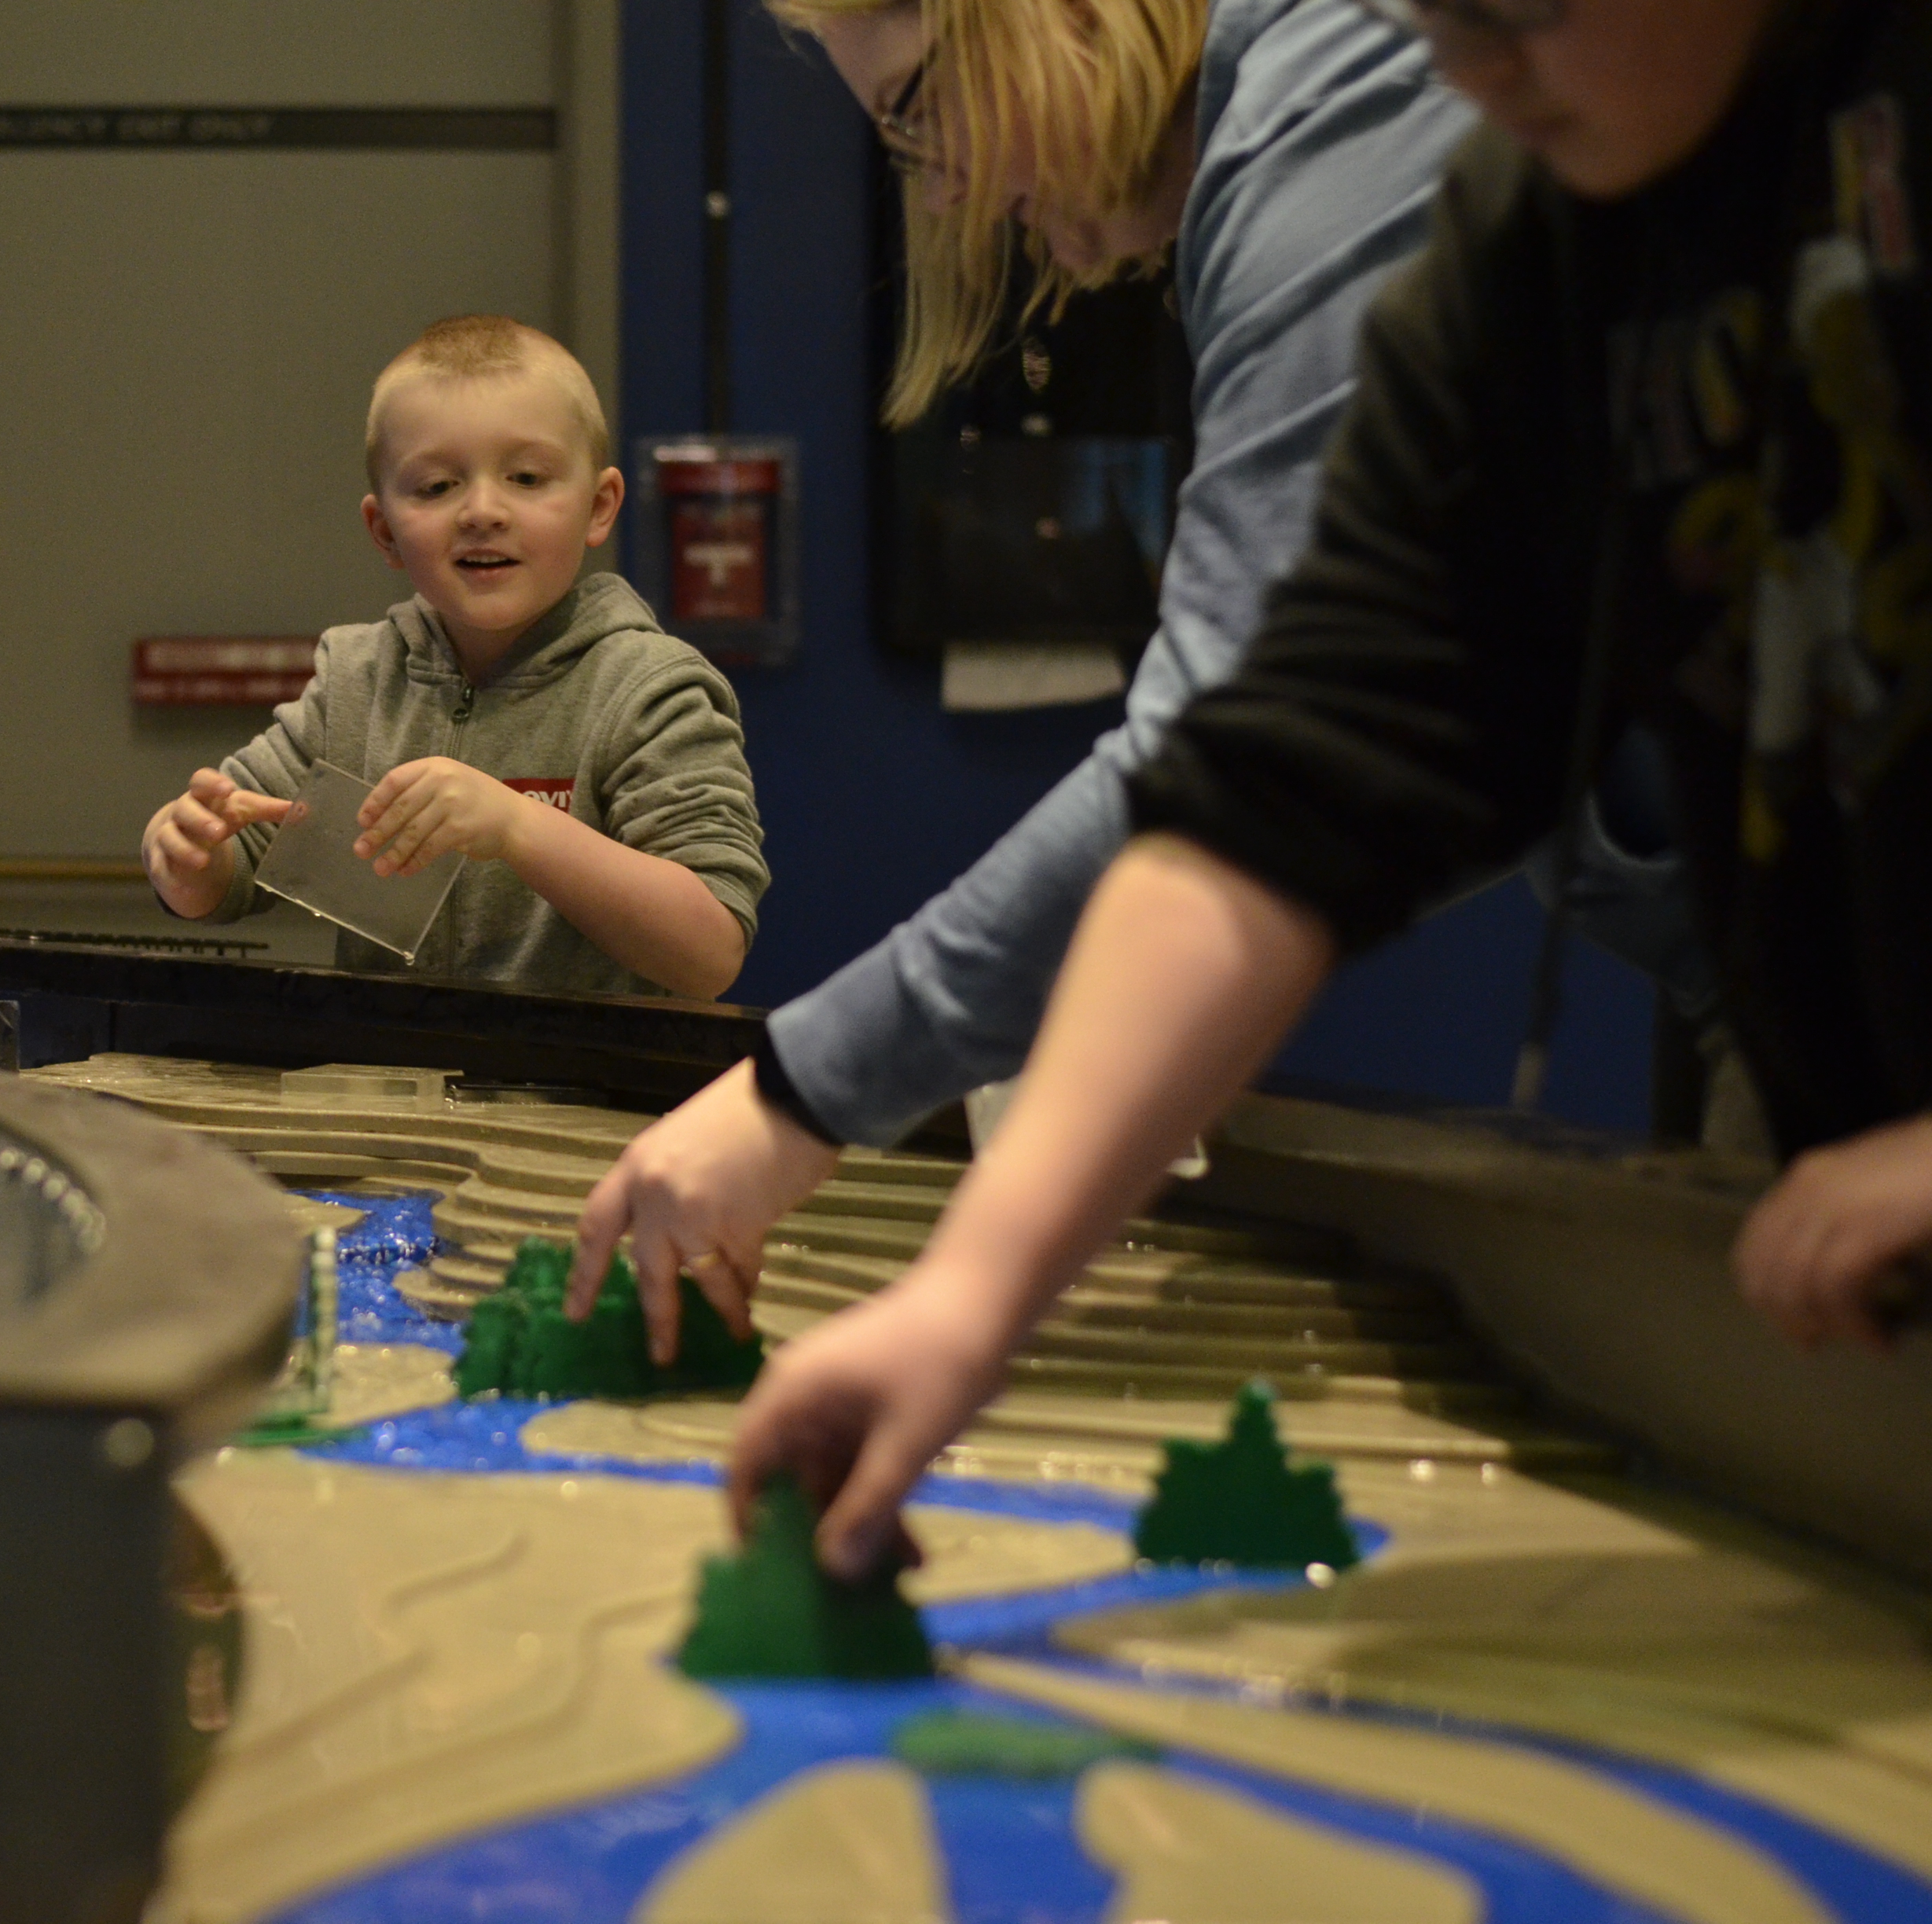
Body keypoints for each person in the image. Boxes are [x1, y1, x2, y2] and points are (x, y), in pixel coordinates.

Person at [720, 0, 1932, 1581]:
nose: (1467, 73)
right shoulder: (1522, 226)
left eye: (1524, 12)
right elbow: (1288, 773)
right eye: (1439, 13)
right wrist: (973, 1290)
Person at [571, 0, 1485, 1353]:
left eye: (920, 112)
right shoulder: (1274, 142)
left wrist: (797, 1097)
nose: (942, 189)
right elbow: (1371, 746)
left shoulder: (1326, 121)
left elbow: (1236, 745)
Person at [142, 316, 768, 1000]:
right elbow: (238, 855)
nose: (482, 511)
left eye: (527, 477)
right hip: (388, 1089)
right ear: (384, 530)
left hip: (586, 1098)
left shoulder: (648, 690)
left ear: (599, 506)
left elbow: (710, 952)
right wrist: (190, 862)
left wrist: (517, 827)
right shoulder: (358, 681)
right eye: (438, 487)